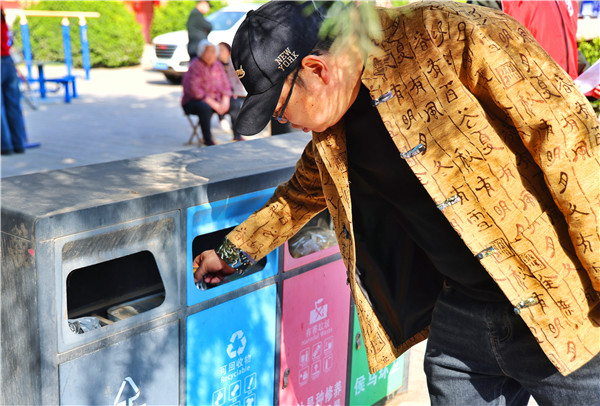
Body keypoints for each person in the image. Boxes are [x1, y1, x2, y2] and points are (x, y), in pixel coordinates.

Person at [193, 2, 600, 405]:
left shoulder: (451, 34)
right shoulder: (333, 132)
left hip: (562, 306)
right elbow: (298, 197)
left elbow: (573, 146)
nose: (284, 123)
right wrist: (231, 254)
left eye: (279, 109)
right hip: (462, 318)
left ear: (317, 71)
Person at [181, 40, 231, 146]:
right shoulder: (195, 65)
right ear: (201, 52)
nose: (210, 55)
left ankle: (237, 136)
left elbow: (226, 85)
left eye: (213, 52)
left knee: (235, 103)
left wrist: (225, 100)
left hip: (215, 100)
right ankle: (207, 140)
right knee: (204, 108)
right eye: (207, 51)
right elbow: (195, 91)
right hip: (193, 102)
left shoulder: (217, 65)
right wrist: (214, 104)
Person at [1, 7, 27, 155]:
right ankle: (18, 144)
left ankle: (5, 146)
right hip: (7, 61)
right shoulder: (2, 19)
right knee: (13, 105)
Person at [217, 42, 245, 142]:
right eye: (218, 50)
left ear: (229, 51)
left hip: (238, 93)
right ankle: (222, 118)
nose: (219, 52)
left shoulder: (235, 63)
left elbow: (241, 82)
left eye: (222, 50)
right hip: (222, 95)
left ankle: (237, 135)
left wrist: (235, 92)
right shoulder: (215, 65)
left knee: (235, 104)